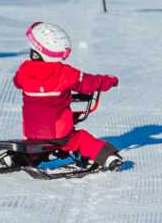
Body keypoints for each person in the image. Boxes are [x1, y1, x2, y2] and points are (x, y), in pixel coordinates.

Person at [14, 21, 122, 171]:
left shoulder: (24, 71)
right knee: (79, 139)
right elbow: (89, 83)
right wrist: (108, 81)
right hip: (59, 132)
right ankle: (109, 157)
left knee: (38, 143)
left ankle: (19, 158)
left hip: (33, 132)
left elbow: (17, 82)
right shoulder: (65, 73)